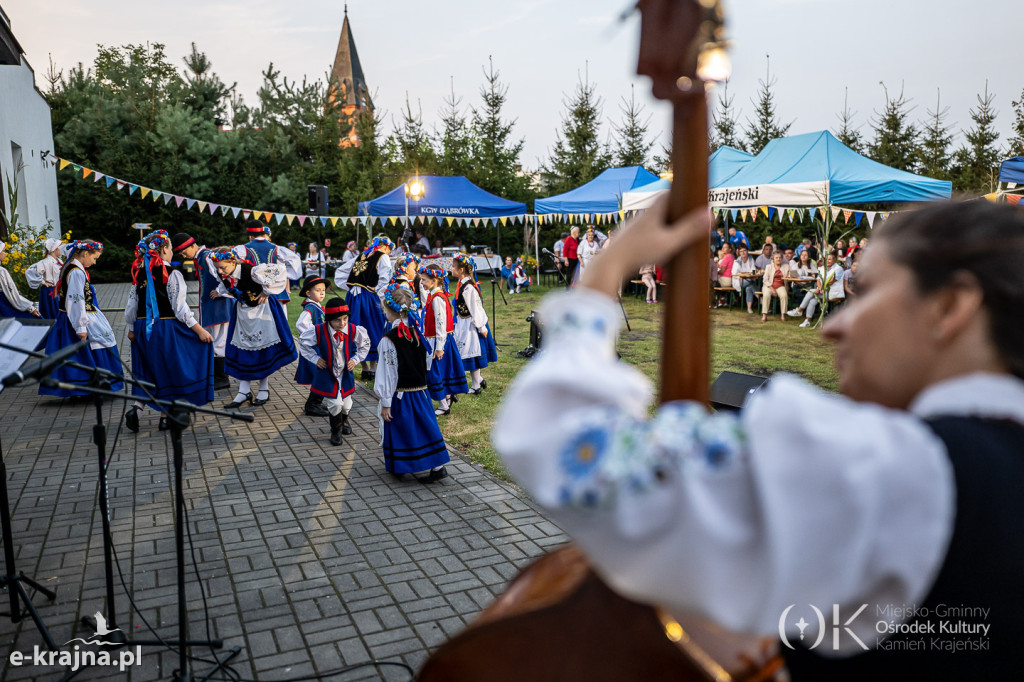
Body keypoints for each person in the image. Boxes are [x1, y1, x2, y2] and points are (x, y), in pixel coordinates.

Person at [494, 198, 1024, 680]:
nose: (831, 327)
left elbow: (566, 446)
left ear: (949, 306)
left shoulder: (898, 470)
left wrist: (607, 268)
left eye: (865, 293)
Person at [123, 230, 214, 432]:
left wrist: (131, 328)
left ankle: (136, 410)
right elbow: (180, 308)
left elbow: (131, 305)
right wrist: (199, 330)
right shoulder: (172, 273)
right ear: (163, 249)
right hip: (163, 328)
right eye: (171, 249)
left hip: (141, 327)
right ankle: (165, 418)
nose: (172, 253)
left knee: (147, 368)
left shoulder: (139, 273)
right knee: (170, 368)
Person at [374, 284, 451, 482]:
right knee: (425, 426)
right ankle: (433, 464)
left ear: (391, 311)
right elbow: (426, 362)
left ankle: (405, 464)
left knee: (403, 428)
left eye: (386, 310)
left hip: (400, 394)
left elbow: (387, 373)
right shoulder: (419, 334)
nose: (385, 313)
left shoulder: (389, 340)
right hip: (420, 392)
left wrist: (385, 402)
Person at [210, 246, 298, 408]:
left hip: (262, 312)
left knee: (262, 350)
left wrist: (267, 291)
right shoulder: (224, 275)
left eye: (223, 267)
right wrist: (222, 292)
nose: (221, 271)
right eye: (218, 268)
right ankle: (244, 391)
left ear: (232, 261)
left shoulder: (251, 271)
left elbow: (280, 270)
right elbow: (230, 289)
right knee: (244, 349)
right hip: (243, 313)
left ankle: (263, 388)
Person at [38, 241, 122, 397]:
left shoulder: (70, 268)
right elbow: (76, 300)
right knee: (84, 351)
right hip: (76, 318)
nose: (94, 262)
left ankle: (80, 388)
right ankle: (86, 387)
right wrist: (81, 327)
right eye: (94, 258)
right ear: (85, 254)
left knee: (74, 354)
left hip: (70, 317)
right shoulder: (76, 272)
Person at [299, 298, 369, 446]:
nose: (342, 323)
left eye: (345, 319)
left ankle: (344, 421)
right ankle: (335, 430)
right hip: (328, 373)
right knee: (335, 403)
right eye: (337, 320)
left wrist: (355, 360)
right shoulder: (318, 331)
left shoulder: (353, 330)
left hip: (345, 373)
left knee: (346, 403)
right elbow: (303, 343)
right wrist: (315, 358)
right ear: (329, 319)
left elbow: (365, 345)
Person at [172, 233, 233, 391]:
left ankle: (222, 378)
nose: (184, 255)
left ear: (193, 246)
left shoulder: (206, 257)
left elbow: (225, 274)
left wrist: (222, 292)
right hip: (212, 305)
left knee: (219, 341)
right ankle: (216, 375)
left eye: (185, 251)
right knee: (215, 340)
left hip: (219, 306)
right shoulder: (201, 257)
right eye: (180, 253)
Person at [420, 264, 468, 416]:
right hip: (436, 339)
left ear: (434, 281)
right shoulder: (434, 296)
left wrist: (439, 347)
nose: (421, 282)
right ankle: (447, 398)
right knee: (442, 371)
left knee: (435, 372)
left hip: (439, 340)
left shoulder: (437, 299)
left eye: (424, 280)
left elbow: (441, 323)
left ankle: (443, 404)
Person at [345, 235, 394, 381]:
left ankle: (365, 367)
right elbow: (385, 278)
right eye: (390, 249)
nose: (390, 252)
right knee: (373, 327)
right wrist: (380, 296)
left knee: (356, 327)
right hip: (368, 297)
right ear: (385, 246)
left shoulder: (362, 255)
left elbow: (345, 273)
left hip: (353, 297)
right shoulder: (382, 257)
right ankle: (372, 367)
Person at [451, 253, 495, 394]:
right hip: (464, 323)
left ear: (461, 270)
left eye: (453, 267)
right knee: (469, 353)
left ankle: (476, 385)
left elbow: (476, 308)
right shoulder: (463, 285)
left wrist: (481, 327)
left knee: (471, 353)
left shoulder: (468, 288)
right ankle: (478, 381)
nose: (451, 269)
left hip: (471, 324)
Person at [241, 220, 302, 308]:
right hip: (274, 291)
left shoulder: (242, 249)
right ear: (263, 234)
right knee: (274, 319)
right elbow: (295, 262)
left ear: (250, 236)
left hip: (253, 293)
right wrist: (281, 276)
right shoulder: (277, 249)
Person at [294, 275, 330, 417]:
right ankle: (312, 405)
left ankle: (315, 403)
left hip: (318, 348)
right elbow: (301, 325)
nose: (322, 293)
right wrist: (315, 337)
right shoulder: (310, 308)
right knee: (320, 375)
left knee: (321, 375)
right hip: (314, 350)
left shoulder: (316, 307)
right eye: (318, 290)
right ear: (308, 293)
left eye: (323, 290)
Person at [788, 251, 846, 328]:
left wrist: (820, 289)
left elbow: (830, 282)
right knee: (812, 300)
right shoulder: (822, 268)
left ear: (834, 260)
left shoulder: (838, 269)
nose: (827, 261)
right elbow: (818, 280)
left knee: (811, 291)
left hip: (833, 293)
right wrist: (819, 288)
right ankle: (807, 321)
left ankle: (799, 310)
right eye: (826, 259)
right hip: (823, 291)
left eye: (830, 259)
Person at [0, 241, 41, 319]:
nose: (5, 253)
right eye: (3, 251)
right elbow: (13, 295)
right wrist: (31, 308)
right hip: (4, 307)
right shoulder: (2, 271)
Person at [24, 238, 63, 319]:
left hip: (59, 291)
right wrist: (43, 282)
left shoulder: (60, 261)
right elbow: (30, 271)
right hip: (50, 292)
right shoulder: (45, 262)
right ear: (54, 249)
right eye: (61, 247)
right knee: (52, 314)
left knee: (60, 314)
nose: (63, 249)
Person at [760, 250, 790, 323]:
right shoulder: (769, 267)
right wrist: (772, 288)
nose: (778, 259)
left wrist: (787, 276)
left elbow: (791, 276)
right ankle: (764, 315)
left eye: (780, 257)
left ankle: (783, 315)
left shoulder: (786, 266)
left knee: (784, 295)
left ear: (782, 259)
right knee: (766, 295)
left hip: (781, 286)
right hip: (769, 286)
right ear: (773, 259)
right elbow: (765, 280)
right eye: (776, 258)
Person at [731, 244, 757, 314]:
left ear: (747, 251)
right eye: (741, 251)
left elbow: (753, 270)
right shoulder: (737, 261)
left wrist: (751, 274)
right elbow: (734, 273)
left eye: (744, 251)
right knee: (751, 282)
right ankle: (760, 298)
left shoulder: (751, 259)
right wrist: (740, 276)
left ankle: (749, 308)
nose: (743, 253)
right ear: (739, 253)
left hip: (749, 279)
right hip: (738, 281)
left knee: (749, 287)